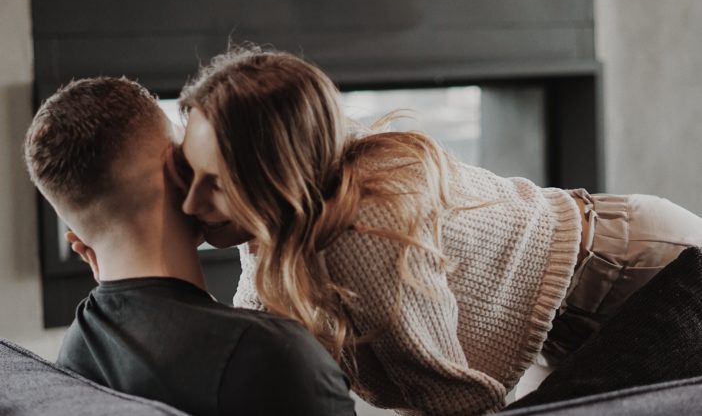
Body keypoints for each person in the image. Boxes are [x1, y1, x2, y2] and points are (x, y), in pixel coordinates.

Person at [172, 45, 702, 416]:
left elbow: (456, 400)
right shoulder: (287, 213)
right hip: (572, 317)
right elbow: (256, 337)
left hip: (640, 273)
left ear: (280, 178)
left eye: (218, 185)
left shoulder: (363, 232)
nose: (191, 201)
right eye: (187, 173)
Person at [23, 76, 356, 416]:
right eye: (189, 153)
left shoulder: (72, 358)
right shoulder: (275, 358)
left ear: (80, 246)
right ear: (179, 174)